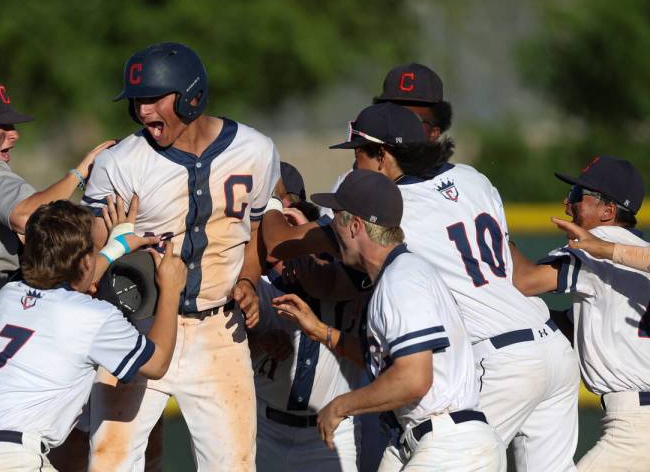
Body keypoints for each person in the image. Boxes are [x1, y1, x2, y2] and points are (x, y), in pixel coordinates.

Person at [324, 69, 580, 471]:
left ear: (383, 153)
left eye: (359, 151)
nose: (353, 163)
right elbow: (515, 269)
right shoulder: (474, 178)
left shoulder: (389, 204)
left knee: (447, 447)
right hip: (552, 351)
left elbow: (336, 255)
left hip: (496, 360)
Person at [81, 42, 280, 471]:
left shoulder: (256, 149)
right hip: (136, 324)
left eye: (153, 98)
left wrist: (248, 280)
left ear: (191, 93)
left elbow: (258, 231)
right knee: (110, 462)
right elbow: (90, 252)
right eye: (136, 102)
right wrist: (109, 237)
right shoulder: (119, 162)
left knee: (234, 465)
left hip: (218, 328)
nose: (142, 111)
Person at [273, 169, 505, 471]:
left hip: (451, 447)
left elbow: (413, 379)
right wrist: (321, 331)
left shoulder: (402, 280)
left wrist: (342, 405)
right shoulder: (396, 274)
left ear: (355, 225)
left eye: (336, 221)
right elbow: (393, 365)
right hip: (426, 440)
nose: (332, 233)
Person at [0, 199, 186, 471]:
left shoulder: (11, 294)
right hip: (11, 460)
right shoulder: (94, 316)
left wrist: (115, 248)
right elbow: (157, 363)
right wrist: (170, 290)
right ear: (86, 260)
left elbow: (74, 286)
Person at [0, 76, 114, 435]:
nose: (13, 134)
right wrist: (80, 173)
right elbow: (29, 217)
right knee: (16, 451)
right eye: (2, 125)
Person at [510, 156, 650, 471]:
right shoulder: (639, 252)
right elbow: (577, 326)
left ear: (608, 212)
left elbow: (525, 280)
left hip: (635, 428)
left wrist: (491, 227)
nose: (566, 202)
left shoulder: (599, 246)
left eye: (576, 195)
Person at [251, 166, 365, 472]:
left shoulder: (345, 266)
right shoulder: (250, 279)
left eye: (284, 205)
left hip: (332, 430)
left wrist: (308, 247)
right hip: (264, 428)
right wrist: (257, 342)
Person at [552, 217, 650, 273]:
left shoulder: (600, 233)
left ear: (608, 211)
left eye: (578, 195)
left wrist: (601, 247)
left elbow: (536, 280)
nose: (566, 201)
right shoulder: (640, 243)